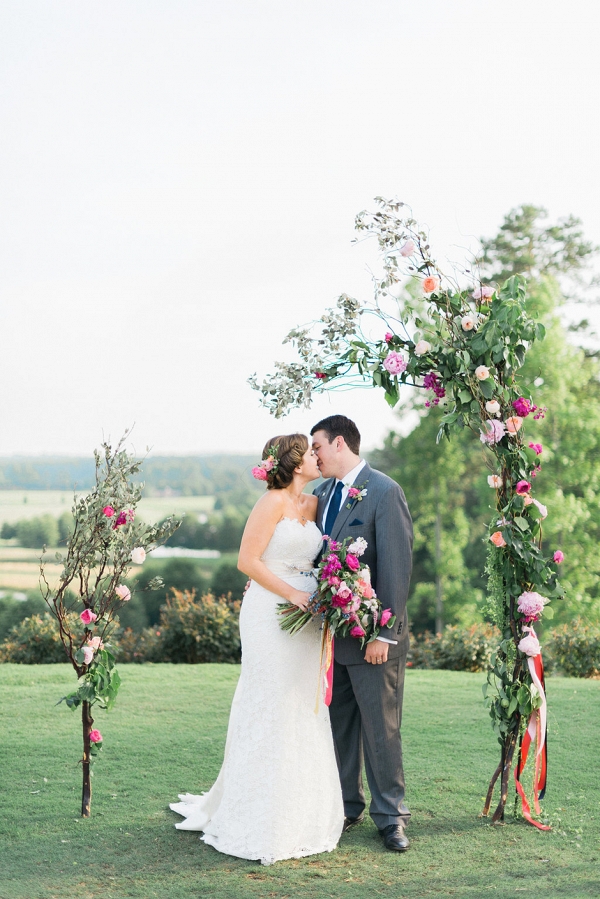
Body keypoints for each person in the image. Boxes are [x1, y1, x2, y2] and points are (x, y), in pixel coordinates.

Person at [170, 433, 344, 865]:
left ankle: (302, 813)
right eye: (308, 452)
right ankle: (257, 815)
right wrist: (293, 594)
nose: (315, 457)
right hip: (271, 612)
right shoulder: (270, 503)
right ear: (293, 462)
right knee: (269, 701)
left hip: (309, 618)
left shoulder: (317, 503)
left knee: (303, 704)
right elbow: (248, 562)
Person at [310, 415, 413, 852]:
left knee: (381, 729)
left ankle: (391, 817)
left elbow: (395, 567)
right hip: (331, 640)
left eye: (316, 447)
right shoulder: (320, 495)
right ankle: (346, 807)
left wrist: (383, 635)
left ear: (338, 443)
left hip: (372, 640)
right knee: (338, 727)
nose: (312, 455)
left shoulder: (384, 492)